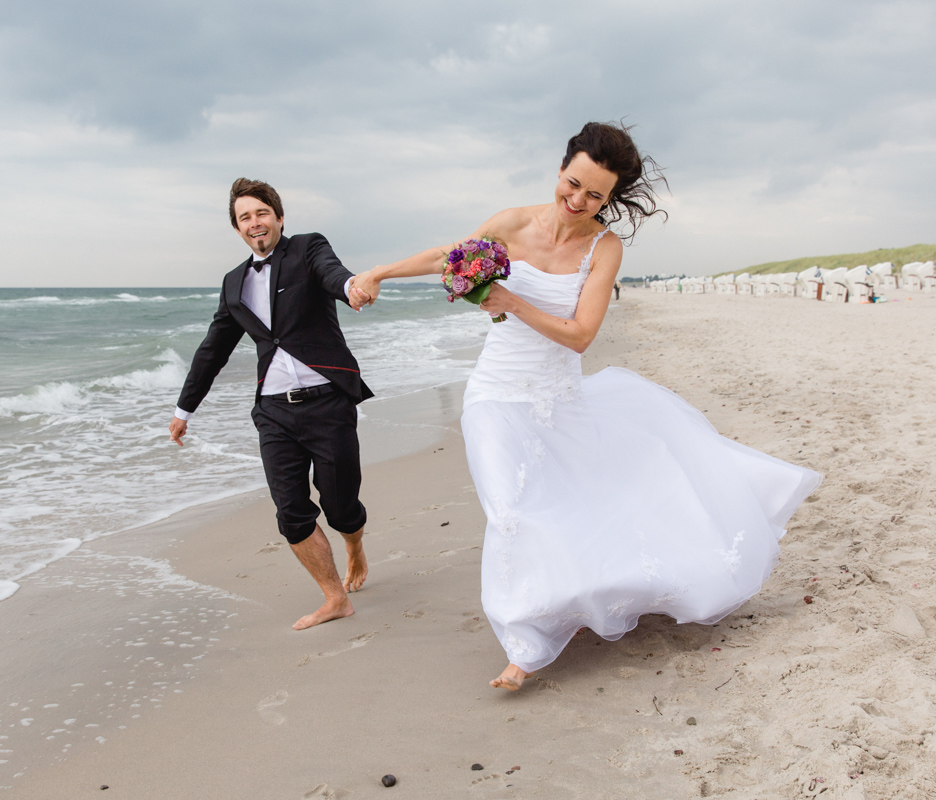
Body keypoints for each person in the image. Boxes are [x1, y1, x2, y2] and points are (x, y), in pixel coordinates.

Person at [351, 122, 822, 689]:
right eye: (572, 184)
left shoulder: (605, 247)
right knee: (511, 511)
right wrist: (378, 272)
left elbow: (579, 335)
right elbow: (446, 258)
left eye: (594, 195)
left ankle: (550, 622)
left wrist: (512, 301)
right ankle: (528, 639)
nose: (576, 202)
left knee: (569, 505)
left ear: (610, 198)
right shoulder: (509, 222)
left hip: (558, 395)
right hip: (494, 392)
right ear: (560, 170)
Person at [169, 178, 375, 630]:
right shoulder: (233, 283)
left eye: (261, 212)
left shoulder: (307, 248)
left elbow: (333, 274)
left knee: (341, 507)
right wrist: (184, 411)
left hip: (327, 402)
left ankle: (354, 544)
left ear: (279, 217)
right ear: (238, 229)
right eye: (244, 217)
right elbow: (213, 349)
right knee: (291, 511)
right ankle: (334, 597)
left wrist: (352, 288)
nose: (254, 222)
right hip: (274, 412)